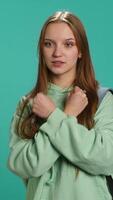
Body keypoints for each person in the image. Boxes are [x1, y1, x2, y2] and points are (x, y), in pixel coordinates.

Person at [8, 11, 113, 200]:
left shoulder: (103, 99)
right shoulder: (28, 103)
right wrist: (68, 113)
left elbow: (106, 159)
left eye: (68, 44)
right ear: (41, 49)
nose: (57, 52)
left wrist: (53, 116)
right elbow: (24, 165)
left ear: (80, 50)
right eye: (49, 44)